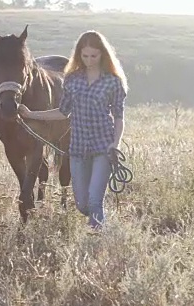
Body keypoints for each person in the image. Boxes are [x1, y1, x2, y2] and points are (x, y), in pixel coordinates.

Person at [18, 30, 128, 229]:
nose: (89, 60)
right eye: (85, 56)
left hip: (103, 147)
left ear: (103, 54)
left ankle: (98, 239)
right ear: (79, 55)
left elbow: (119, 117)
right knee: (82, 204)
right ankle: (101, 221)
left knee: (94, 202)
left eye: (94, 56)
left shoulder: (113, 82)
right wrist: (31, 114)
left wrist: (116, 143)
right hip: (77, 149)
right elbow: (63, 112)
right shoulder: (72, 79)